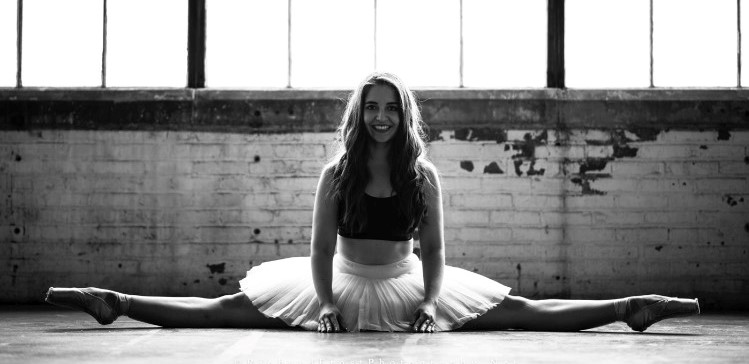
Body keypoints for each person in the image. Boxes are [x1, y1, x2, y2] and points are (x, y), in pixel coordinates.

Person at [45, 72, 700, 333]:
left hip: (407, 281)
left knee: (519, 311)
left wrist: (424, 302)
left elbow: (436, 252)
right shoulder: (335, 172)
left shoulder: (422, 174)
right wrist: (326, 303)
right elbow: (318, 250)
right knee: (224, 310)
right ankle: (117, 302)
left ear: (401, 115)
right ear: (360, 116)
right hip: (339, 282)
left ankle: (626, 307)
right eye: (372, 109)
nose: (382, 118)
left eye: (391, 109)